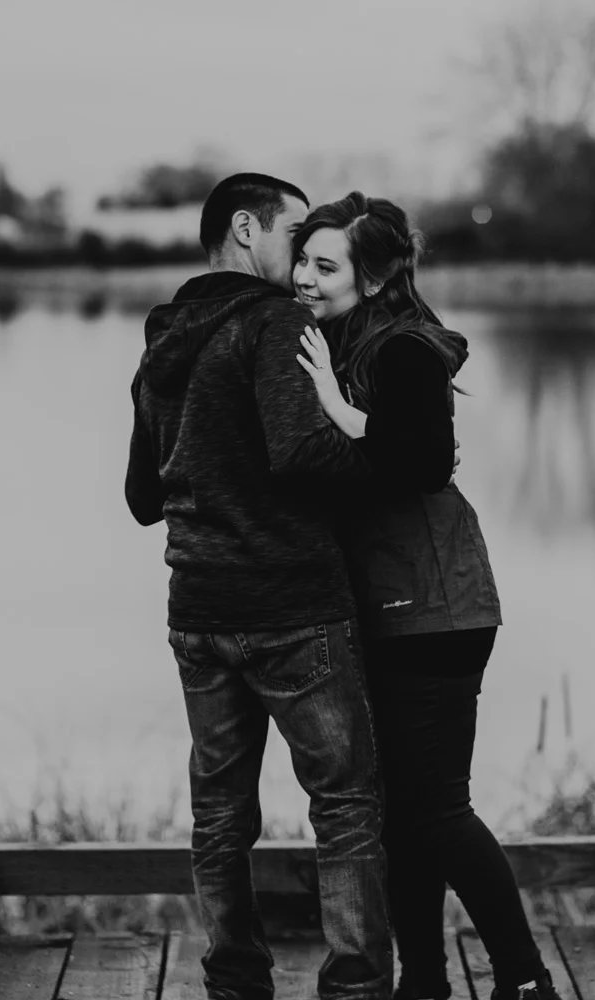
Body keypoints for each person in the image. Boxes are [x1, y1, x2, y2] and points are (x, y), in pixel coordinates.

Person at [125, 173, 392, 1000]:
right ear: (247, 228)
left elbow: (142, 498)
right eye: (292, 232)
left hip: (198, 612)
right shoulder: (273, 322)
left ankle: (235, 985)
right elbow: (301, 454)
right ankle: (354, 990)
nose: (303, 255)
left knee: (220, 816)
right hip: (292, 609)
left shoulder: (164, 337)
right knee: (346, 808)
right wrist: (379, 459)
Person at [291, 192, 563, 1000]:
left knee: (437, 808)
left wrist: (340, 411)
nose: (304, 276)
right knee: (401, 813)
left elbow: (423, 461)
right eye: (302, 259)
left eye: (325, 265)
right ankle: (425, 981)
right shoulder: (339, 343)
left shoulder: (402, 351)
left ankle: (522, 979)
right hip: (389, 609)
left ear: (372, 280)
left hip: (436, 608)